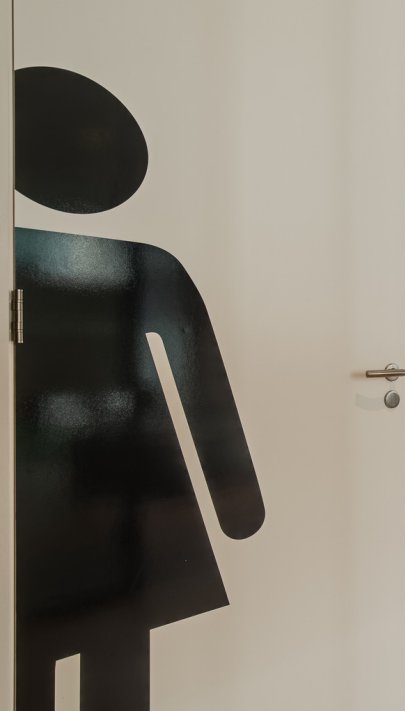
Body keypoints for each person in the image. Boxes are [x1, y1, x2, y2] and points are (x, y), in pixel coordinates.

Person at [14, 66, 265, 711]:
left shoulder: (147, 260)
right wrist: (239, 514)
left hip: (121, 505)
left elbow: (196, 387)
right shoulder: (134, 258)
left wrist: (240, 508)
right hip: (73, 504)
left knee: (119, 634)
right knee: (81, 635)